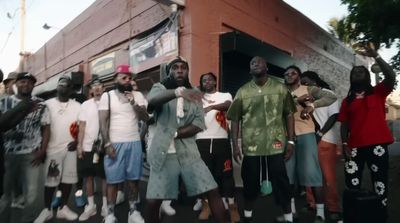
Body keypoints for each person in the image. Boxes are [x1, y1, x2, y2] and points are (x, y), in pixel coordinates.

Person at [145, 56, 229, 223]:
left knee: (212, 190)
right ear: (169, 72)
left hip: (189, 152)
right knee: (154, 200)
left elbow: (198, 123)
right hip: (164, 152)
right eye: (175, 68)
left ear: (188, 71)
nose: (179, 70)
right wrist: (177, 92)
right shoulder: (159, 87)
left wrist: (175, 133)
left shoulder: (196, 94)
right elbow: (153, 100)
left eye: (183, 67)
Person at [227, 56, 296, 223]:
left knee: (281, 182)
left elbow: (289, 114)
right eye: (252, 63)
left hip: (276, 144)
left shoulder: (280, 88)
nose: (255, 64)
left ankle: (288, 218)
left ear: (267, 67)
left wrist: (291, 141)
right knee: (249, 182)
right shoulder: (243, 91)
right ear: (250, 70)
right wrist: (235, 145)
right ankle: (248, 217)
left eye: (259, 62)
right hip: (251, 146)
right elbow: (234, 118)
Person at [338, 43, 396, 222]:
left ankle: (380, 215)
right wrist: (345, 143)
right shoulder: (347, 101)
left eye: (361, 71)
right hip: (354, 147)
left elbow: (391, 76)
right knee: (352, 182)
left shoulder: (378, 92)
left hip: (377, 145)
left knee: (380, 182)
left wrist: (376, 56)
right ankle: (354, 215)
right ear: (350, 77)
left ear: (368, 76)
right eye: (354, 72)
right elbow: (344, 125)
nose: (357, 73)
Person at [284, 65, 337, 223]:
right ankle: (291, 213)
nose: (289, 75)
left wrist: (311, 105)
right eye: (286, 74)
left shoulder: (308, 89)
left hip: (306, 135)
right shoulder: (281, 92)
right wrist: (295, 101)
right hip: (287, 136)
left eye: (293, 73)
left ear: (299, 76)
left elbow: (330, 97)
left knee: (313, 176)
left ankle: (320, 214)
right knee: (289, 177)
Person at [99, 64, 148, 223]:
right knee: (113, 180)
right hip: (115, 143)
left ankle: (133, 211)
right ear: (116, 79)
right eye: (124, 77)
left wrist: (133, 103)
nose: (127, 80)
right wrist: (106, 143)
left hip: (134, 142)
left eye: (129, 78)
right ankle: (110, 213)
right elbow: (103, 121)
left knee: (133, 180)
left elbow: (145, 118)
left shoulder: (138, 95)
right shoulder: (107, 96)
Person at [0, 72, 50, 223]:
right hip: (9, 154)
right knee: (5, 194)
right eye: (22, 81)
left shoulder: (41, 103)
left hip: (32, 153)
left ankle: (27, 220)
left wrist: (42, 150)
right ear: (16, 84)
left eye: (29, 82)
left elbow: (46, 128)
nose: (25, 84)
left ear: (33, 85)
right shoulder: (5, 102)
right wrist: (7, 134)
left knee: (33, 194)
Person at [194, 72, 240, 222]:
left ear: (215, 82)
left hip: (221, 140)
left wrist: (211, 107)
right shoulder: (197, 98)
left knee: (226, 175)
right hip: (201, 141)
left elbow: (228, 106)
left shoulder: (224, 95)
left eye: (209, 79)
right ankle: (206, 205)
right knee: (204, 176)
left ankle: (232, 207)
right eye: (204, 80)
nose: (206, 82)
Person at [35, 76, 81, 223]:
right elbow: (40, 128)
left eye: (68, 86)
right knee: (51, 181)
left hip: (71, 149)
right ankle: (47, 210)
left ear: (71, 89)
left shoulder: (78, 106)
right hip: (52, 149)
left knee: (68, 180)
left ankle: (63, 208)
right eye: (61, 84)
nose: (64, 87)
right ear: (57, 87)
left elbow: (82, 127)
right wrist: (41, 148)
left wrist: (77, 141)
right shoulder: (46, 105)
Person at [301, 71, 342, 221]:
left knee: (328, 177)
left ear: (314, 81)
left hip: (326, 140)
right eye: (302, 83)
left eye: (306, 82)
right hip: (308, 140)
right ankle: (312, 203)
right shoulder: (304, 97)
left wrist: (321, 133)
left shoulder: (327, 93)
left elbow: (334, 115)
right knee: (310, 175)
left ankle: (333, 207)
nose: (304, 85)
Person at [76, 78, 108, 221]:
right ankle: (91, 206)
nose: (96, 88)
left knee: (105, 177)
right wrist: (79, 145)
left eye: (99, 85)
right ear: (90, 89)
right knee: (88, 177)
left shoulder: (109, 102)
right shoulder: (85, 105)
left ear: (104, 88)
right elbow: (81, 127)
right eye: (94, 86)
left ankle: (106, 206)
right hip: (88, 146)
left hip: (104, 146)